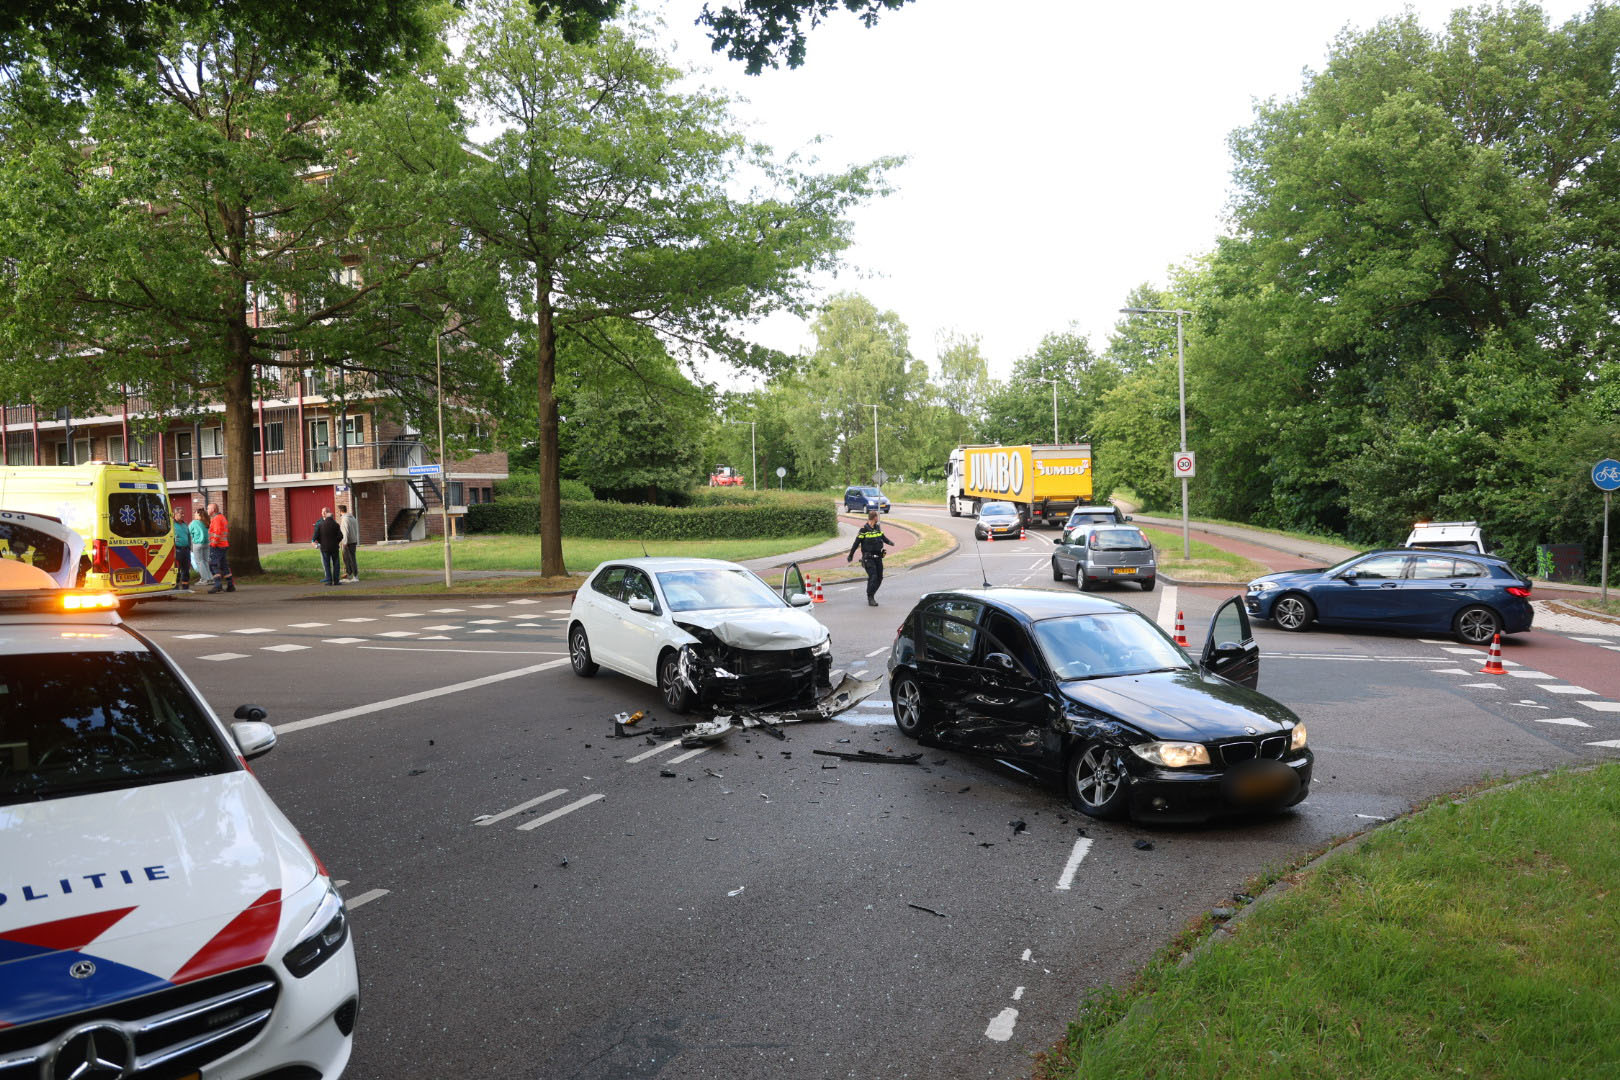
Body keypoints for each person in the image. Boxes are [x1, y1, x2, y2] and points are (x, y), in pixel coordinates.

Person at [846, 507, 896, 607]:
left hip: (878, 557)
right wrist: (851, 555)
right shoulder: (863, 530)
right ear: (874, 518)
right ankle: (870, 597)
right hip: (868, 558)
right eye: (877, 516)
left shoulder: (877, 527)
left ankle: (872, 593)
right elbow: (856, 543)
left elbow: (883, 537)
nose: (878, 518)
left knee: (880, 577)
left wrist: (890, 542)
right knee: (873, 577)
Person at [206, 502, 235, 593]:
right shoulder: (222, 517)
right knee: (224, 566)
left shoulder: (216, 518)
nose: (207, 510)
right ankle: (230, 585)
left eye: (208, 508)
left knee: (213, 565)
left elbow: (217, 532)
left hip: (217, 546)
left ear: (213, 510)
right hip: (223, 545)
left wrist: (213, 544)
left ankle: (218, 585)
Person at [311, 507, 343, 585]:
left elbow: (316, 536)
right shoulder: (336, 525)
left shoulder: (320, 525)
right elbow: (341, 536)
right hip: (334, 547)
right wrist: (336, 542)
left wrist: (321, 542)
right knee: (336, 564)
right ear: (332, 517)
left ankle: (328, 580)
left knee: (327, 564)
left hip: (324, 548)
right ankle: (336, 580)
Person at [171, 502, 192, 591]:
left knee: (186, 569)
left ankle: (185, 586)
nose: (183, 515)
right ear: (175, 514)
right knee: (177, 569)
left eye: (183, 513)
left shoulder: (185, 524)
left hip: (186, 550)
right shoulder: (171, 524)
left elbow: (188, 536)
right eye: (181, 513)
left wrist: (189, 547)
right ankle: (175, 586)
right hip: (177, 550)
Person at [189, 508, 211, 589]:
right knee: (205, 561)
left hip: (197, 544)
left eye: (195, 513)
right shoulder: (206, 522)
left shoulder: (194, 523)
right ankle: (210, 578)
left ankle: (204, 579)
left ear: (199, 515)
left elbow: (188, 532)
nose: (194, 515)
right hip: (207, 543)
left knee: (199, 562)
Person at [337, 503, 359, 582]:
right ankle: (351, 575)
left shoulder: (345, 519)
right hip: (353, 541)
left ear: (340, 511)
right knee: (352, 558)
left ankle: (354, 576)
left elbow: (345, 531)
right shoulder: (352, 517)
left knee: (348, 559)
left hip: (348, 542)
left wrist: (344, 542)